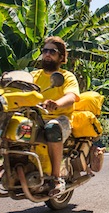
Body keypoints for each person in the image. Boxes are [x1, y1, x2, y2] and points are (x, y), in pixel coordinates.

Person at [31, 36, 80, 196]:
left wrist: (57, 104)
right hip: (35, 118)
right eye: (45, 51)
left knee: (52, 128)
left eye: (52, 51)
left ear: (61, 57)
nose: (47, 54)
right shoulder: (33, 76)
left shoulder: (66, 77)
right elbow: (14, 88)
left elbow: (72, 96)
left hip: (61, 119)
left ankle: (56, 178)